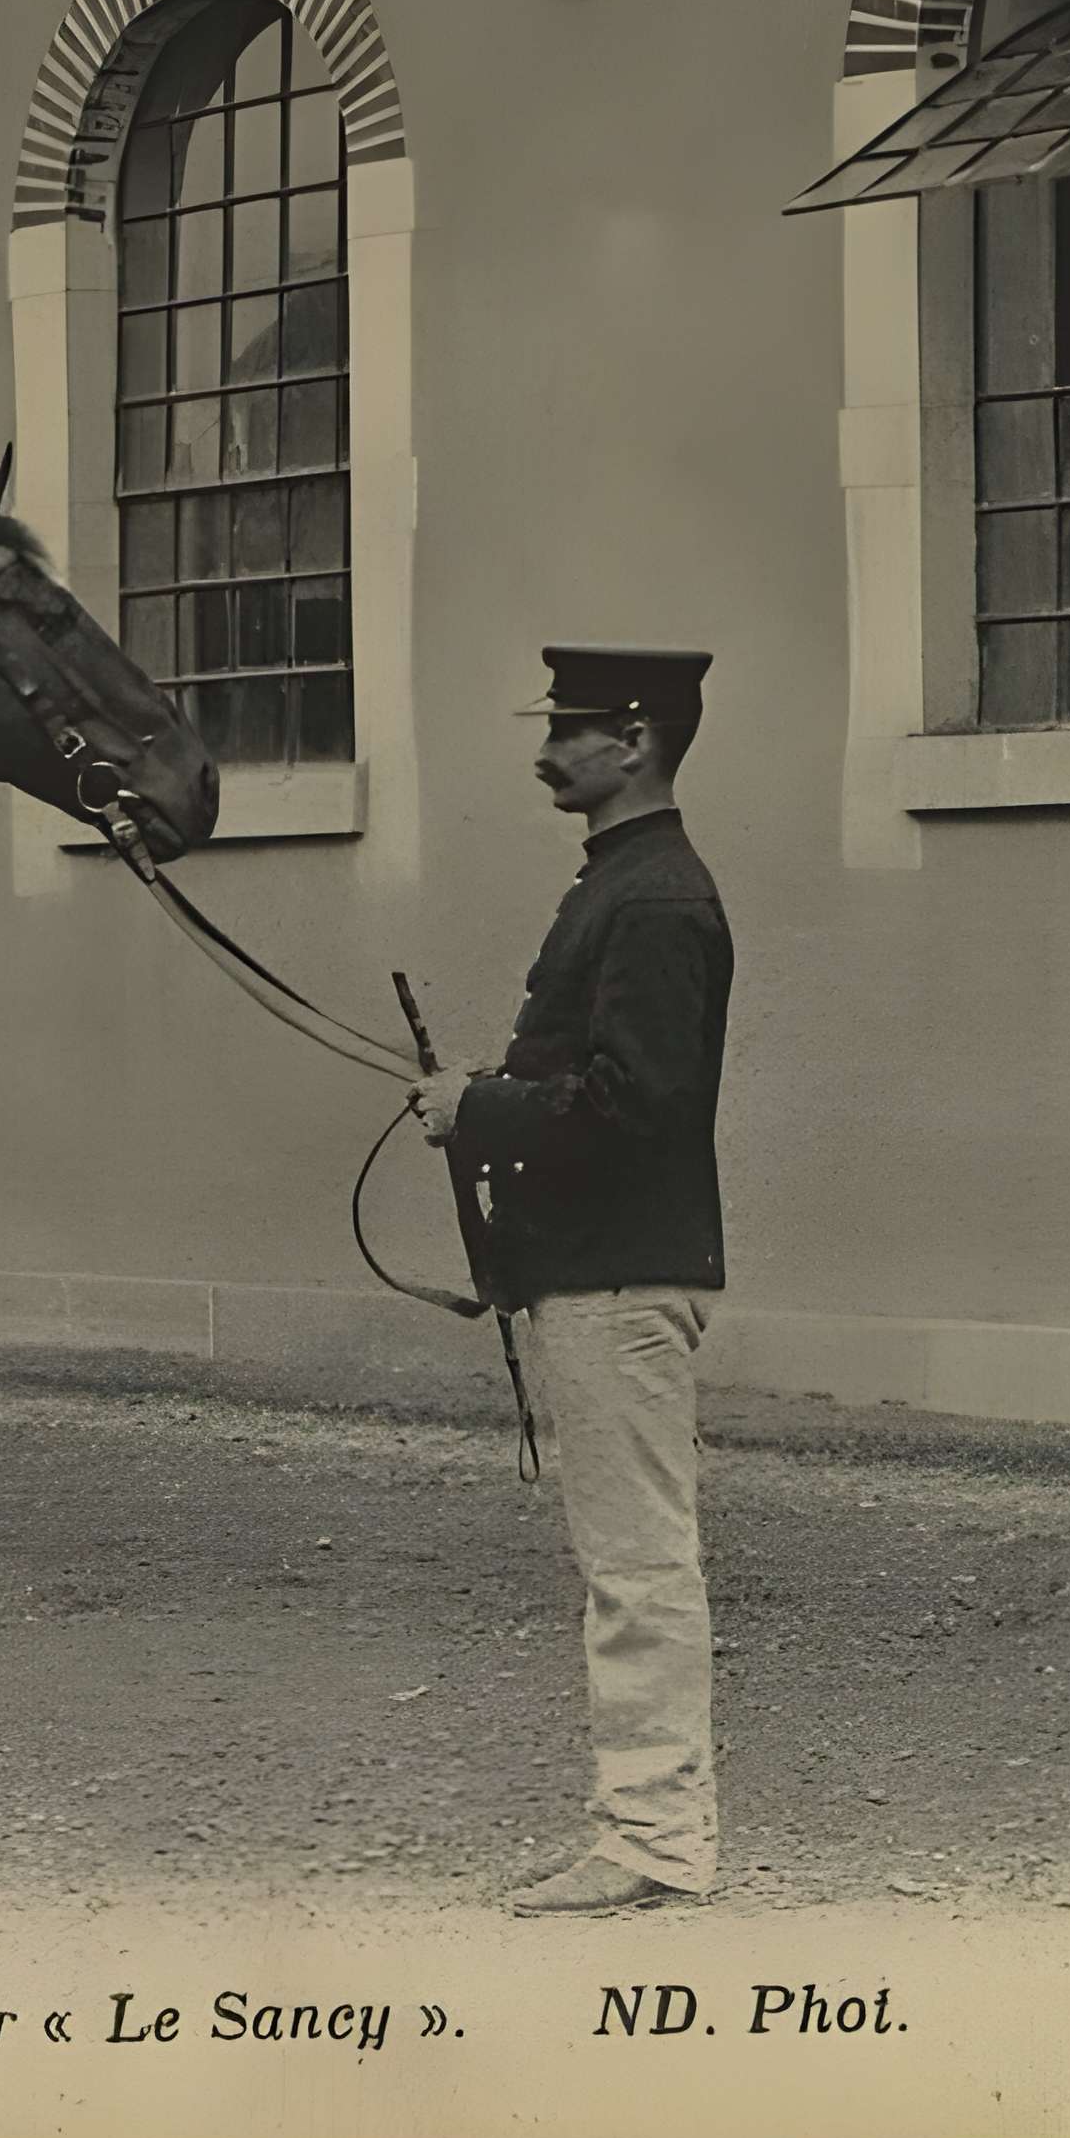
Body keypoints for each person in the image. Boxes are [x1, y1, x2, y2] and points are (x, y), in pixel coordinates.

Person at [410, 645, 733, 1916]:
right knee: (628, 1560)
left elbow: (638, 1108)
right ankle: (651, 1830)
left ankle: (656, 1841)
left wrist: (478, 1108)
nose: (548, 751)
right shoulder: (626, 883)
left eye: (570, 730)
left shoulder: (655, 900)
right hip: (594, 1274)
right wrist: (486, 1099)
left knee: (639, 1566)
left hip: (619, 1279)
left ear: (636, 741)